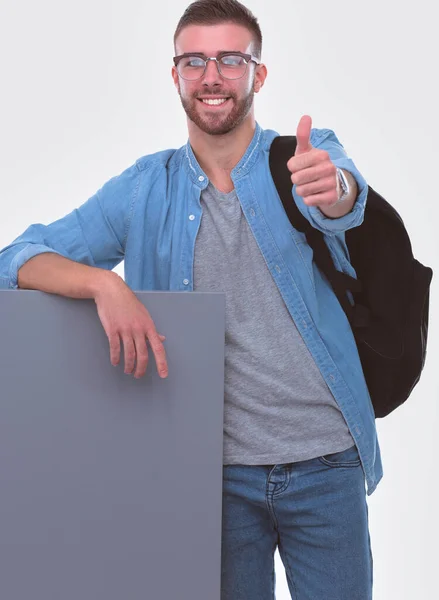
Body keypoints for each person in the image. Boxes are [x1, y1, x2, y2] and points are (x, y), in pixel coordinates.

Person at [0, 1, 381, 598]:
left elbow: (345, 198)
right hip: (209, 476)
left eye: (231, 59)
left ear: (258, 74)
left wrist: (333, 188)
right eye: (195, 60)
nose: (212, 75)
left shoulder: (302, 157)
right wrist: (107, 283)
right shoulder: (144, 187)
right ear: (174, 75)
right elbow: (16, 260)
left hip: (324, 462)